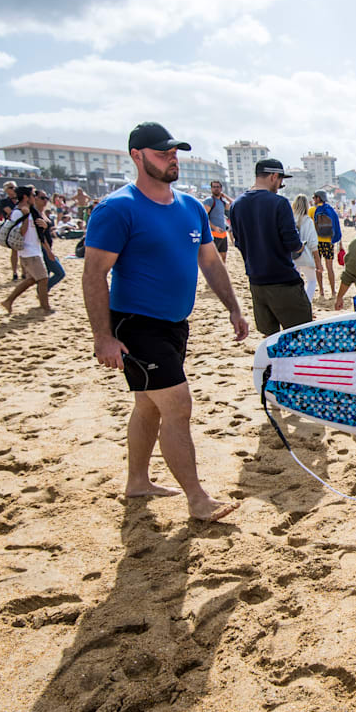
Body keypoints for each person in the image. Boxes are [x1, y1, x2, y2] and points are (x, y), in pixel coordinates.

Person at [81, 121, 247, 523]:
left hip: (175, 323)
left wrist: (233, 307)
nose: (172, 159)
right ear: (137, 157)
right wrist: (102, 337)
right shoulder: (118, 209)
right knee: (177, 405)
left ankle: (137, 481)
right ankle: (197, 499)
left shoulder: (191, 207)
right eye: (162, 153)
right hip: (136, 324)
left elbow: (209, 260)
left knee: (148, 406)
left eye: (175, 153)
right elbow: (93, 274)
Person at [230, 157, 311, 336]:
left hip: (257, 282)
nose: (280, 186)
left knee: (270, 339)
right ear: (274, 176)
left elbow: (238, 243)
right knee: (301, 338)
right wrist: (300, 247)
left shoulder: (237, 204)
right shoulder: (279, 203)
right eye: (281, 181)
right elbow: (293, 244)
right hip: (283, 281)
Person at [1, 186, 54, 314]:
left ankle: (8, 301)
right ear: (25, 197)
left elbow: (38, 232)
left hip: (35, 250)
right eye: (32, 196)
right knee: (43, 279)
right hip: (28, 251)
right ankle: (45, 307)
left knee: (33, 279)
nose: (34, 198)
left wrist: (45, 227)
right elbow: (21, 232)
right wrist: (25, 216)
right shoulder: (19, 212)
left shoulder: (31, 211)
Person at [307, 186, 342, 298]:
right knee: (329, 267)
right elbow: (336, 226)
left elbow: (309, 226)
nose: (313, 199)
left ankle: (321, 291)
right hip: (328, 242)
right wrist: (338, 241)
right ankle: (333, 291)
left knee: (318, 266)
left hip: (317, 243)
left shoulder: (312, 210)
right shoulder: (331, 210)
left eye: (314, 197)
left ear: (318, 198)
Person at [290, 194, 319, 303]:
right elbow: (313, 243)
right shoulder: (308, 221)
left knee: (295, 283)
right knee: (311, 281)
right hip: (305, 255)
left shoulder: (290, 219)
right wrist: (318, 262)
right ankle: (307, 305)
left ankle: (296, 304)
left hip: (292, 256)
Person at [202, 180, 232, 264]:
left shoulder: (222, 201)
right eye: (214, 187)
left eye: (218, 187)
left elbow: (234, 204)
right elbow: (203, 217)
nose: (216, 189)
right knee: (213, 260)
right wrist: (214, 227)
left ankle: (220, 275)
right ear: (211, 189)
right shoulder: (209, 200)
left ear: (221, 188)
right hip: (213, 234)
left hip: (223, 235)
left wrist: (225, 196)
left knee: (223, 258)